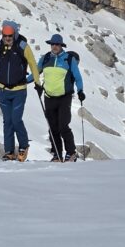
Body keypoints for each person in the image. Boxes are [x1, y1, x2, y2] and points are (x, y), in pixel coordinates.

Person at [0, 20, 41, 161]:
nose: (7, 38)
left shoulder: (22, 46)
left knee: (16, 120)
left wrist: (37, 83)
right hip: (2, 91)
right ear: (2, 34)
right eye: (5, 35)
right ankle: (9, 151)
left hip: (19, 90)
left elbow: (33, 64)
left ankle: (23, 146)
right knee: (7, 121)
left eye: (10, 35)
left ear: (14, 34)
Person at [36, 34, 85, 162]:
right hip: (49, 97)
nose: (55, 46)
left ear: (61, 45)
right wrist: (25, 82)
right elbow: (36, 73)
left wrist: (80, 91)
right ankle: (57, 154)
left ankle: (71, 153)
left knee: (63, 126)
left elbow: (78, 77)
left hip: (64, 98)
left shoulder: (68, 59)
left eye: (57, 44)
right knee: (53, 128)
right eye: (53, 44)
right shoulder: (46, 58)